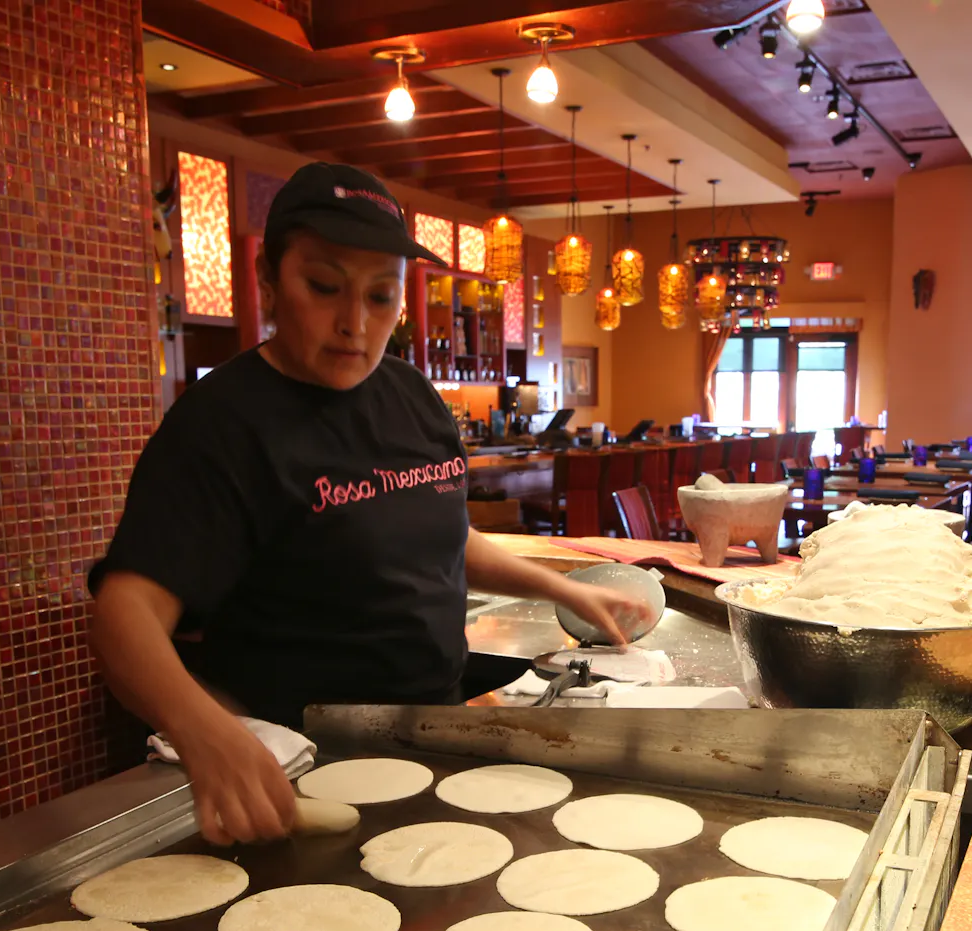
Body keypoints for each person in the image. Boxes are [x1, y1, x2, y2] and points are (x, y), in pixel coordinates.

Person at [89, 162, 652, 846]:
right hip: (299, 768)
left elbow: (440, 531)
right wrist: (205, 731)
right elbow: (124, 616)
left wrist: (560, 588)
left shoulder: (412, 398)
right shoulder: (221, 425)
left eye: (381, 296)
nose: (353, 323)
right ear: (269, 278)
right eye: (324, 287)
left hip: (433, 734)